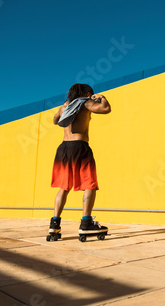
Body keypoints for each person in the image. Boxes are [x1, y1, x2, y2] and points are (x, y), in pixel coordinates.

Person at [48, 83, 111, 238]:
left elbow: (55, 120)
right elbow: (106, 109)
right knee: (89, 184)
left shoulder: (64, 107)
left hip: (63, 149)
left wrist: (62, 108)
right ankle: (86, 223)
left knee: (64, 187)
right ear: (87, 93)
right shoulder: (85, 102)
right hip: (80, 147)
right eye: (91, 94)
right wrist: (101, 97)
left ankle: (54, 225)